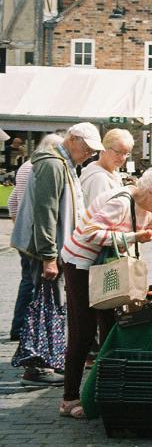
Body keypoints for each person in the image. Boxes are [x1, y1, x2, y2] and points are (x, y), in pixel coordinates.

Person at [59, 166, 152, 419]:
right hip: (81, 266)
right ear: (151, 192)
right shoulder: (120, 203)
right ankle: (69, 398)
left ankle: (102, 392)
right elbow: (89, 233)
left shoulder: (148, 211)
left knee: (110, 328)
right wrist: (132, 237)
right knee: (83, 331)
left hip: (106, 269)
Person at [9, 123, 103, 386]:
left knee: (51, 304)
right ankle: (37, 366)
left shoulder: (64, 163)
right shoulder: (53, 164)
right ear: (72, 140)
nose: (89, 154)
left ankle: (46, 361)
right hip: (45, 250)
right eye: (87, 148)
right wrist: (49, 256)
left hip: (54, 248)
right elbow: (46, 212)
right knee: (46, 306)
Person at [7, 134, 63, 344]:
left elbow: (13, 201)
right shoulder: (42, 167)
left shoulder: (26, 167)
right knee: (35, 285)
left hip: (26, 233)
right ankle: (25, 329)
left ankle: (19, 327)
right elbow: (42, 207)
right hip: (36, 234)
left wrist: (18, 226)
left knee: (27, 281)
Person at [80, 128, 134, 205]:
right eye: (117, 153)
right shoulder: (99, 179)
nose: (122, 158)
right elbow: (100, 211)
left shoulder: (112, 174)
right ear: (104, 149)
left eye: (125, 154)